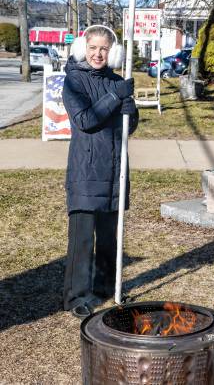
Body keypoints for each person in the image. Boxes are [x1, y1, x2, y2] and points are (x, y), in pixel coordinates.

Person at [62, 25, 138, 318]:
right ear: (84, 48)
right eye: (93, 48)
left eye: (104, 49)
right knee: (82, 238)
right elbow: (85, 120)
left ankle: (106, 285)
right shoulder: (73, 82)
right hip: (86, 167)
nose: (98, 54)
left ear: (112, 52)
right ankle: (76, 295)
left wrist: (130, 112)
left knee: (109, 234)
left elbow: (127, 129)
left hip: (115, 167)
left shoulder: (117, 81)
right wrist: (115, 97)